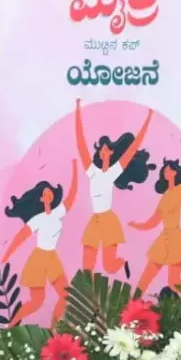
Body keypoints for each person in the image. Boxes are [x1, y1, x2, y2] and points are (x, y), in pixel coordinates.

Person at [73, 101, 153, 278]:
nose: (103, 151)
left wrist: (148, 119)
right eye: (101, 149)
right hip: (95, 221)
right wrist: (77, 110)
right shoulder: (92, 171)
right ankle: (90, 294)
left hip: (108, 220)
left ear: (111, 153)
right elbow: (80, 143)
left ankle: (123, 263)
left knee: (109, 266)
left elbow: (132, 149)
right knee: (87, 267)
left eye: (107, 149)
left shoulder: (113, 172)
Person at [0, 167, 78, 326]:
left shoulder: (57, 213)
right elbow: (20, 237)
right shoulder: (38, 219)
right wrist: (6, 255)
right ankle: (11, 324)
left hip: (52, 258)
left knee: (65, 295)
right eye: (45, 193)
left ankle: (54, 328)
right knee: (37, 302)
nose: (49, 194)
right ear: (41, 199)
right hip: (39, 259)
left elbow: (72, 195)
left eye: (50, 192)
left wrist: (75, 169)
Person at [131, 132, 181, 295]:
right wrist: (136, 225)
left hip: (175, 239)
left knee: (174, 282)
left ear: (175, 172)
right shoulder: (165, 196)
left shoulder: (180, 190)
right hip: (163, 239)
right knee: (146, 276)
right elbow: (153, 221)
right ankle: (133, 302)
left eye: (169, 170)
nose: (166, 173)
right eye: (164, 171)